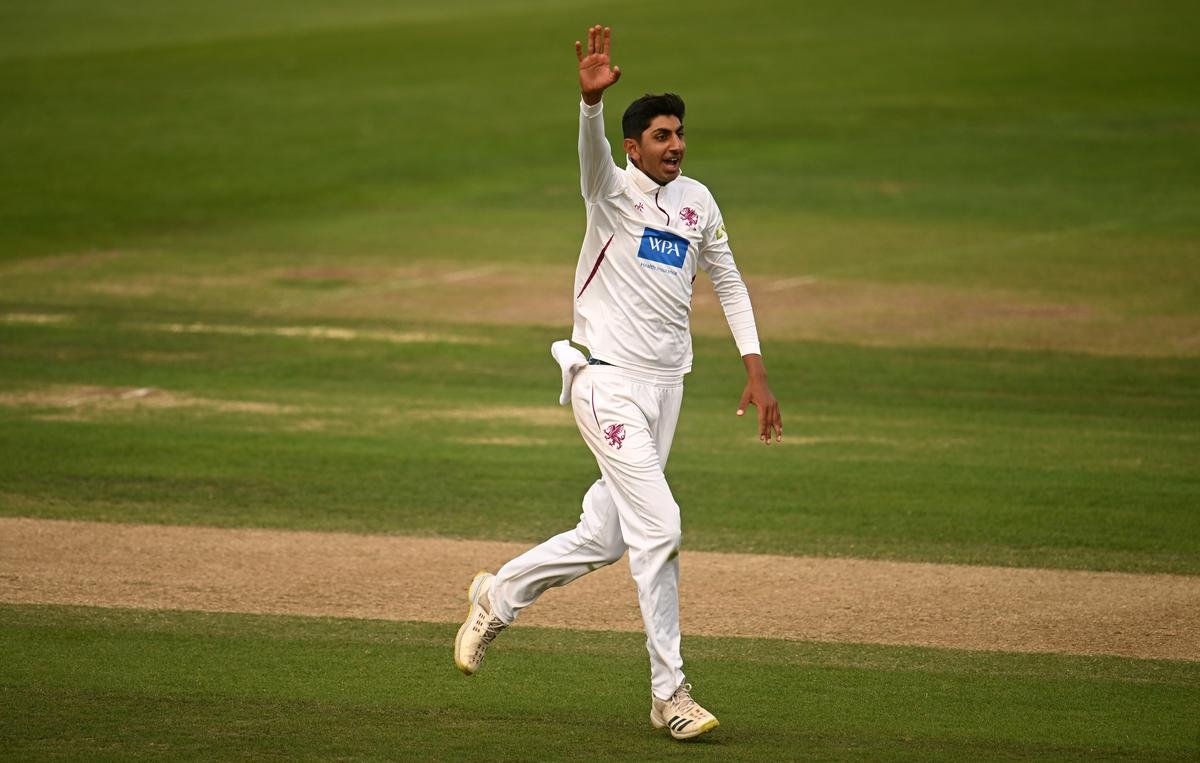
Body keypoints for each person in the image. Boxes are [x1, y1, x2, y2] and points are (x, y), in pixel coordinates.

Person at [454, 24, 781, 741]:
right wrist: (590, 105)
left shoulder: (698, 202)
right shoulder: (608, 191)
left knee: (604, 537)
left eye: (680, 133)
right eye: (661, 136)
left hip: (668, 388)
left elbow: (728, 281)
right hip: (606, 383)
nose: (675, 144)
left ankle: (499, 594)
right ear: (634, 147)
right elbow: (590, 154)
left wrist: (755, 368)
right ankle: (671, 694)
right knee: (660, 529)